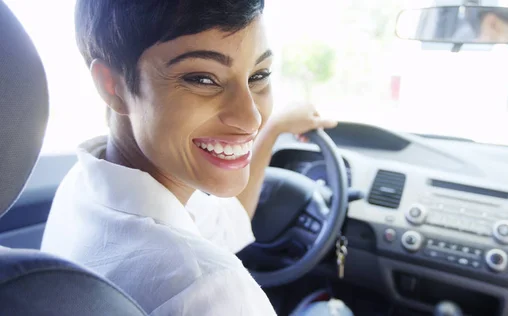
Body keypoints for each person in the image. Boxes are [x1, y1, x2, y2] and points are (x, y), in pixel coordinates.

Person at [40, 0, 351, 315]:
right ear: (112, 86)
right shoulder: (212, 291)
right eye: (203, 79)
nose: (252, 120)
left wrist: (273, 131)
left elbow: (225, 223)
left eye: (259, 75)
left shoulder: (83, 186)